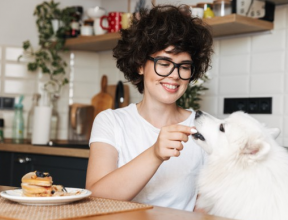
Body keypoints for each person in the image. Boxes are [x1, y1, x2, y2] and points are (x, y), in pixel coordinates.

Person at [86, 4, 213, 211]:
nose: (174, 75)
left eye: (184, 66)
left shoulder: (203, 128)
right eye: (164, 63)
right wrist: (155, 154)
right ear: (139, 64)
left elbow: (204, 206)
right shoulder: (110, 121)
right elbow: (95, 198)